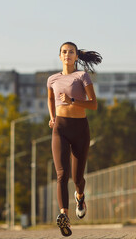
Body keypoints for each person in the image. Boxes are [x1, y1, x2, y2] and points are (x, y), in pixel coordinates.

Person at [47, 41, 102, 237]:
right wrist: (52, 117)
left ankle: (80, 197)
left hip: (80, 129)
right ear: (60, 56)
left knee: (77, 177)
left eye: (71, 52)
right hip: (60, 129)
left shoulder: (82, 76)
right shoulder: (52, 79)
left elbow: (93, 104)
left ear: (76, 56)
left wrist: (72, 101)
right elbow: (50, 99)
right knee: (62, 175)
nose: (67, 54)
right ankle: (64, 216)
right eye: (64, 52)